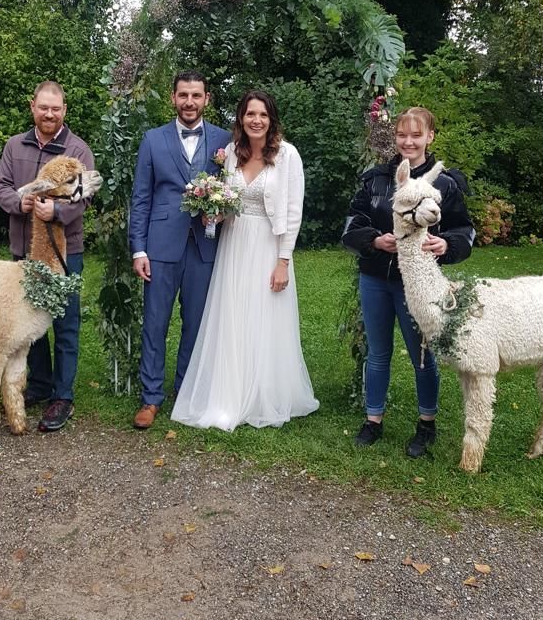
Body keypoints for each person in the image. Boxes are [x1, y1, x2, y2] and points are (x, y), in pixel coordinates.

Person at [171, 90, 319, 431]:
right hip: (234, 244)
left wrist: (284, 260)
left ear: (271, 119)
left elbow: (294, 210)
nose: (256, 120)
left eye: (263, 115)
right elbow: (228, 203)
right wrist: (211, 211)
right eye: (250, 114)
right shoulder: (232, 157)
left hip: (269, 244)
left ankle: (262, 393)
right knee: (233, 314)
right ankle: (229, 391)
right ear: (241, 118)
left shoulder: (287, 155)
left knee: (264, 315)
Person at [341, 106, 474, 457]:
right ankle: (373, 420)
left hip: (418, 284)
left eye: (417, 135)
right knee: (378, 351)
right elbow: (352, 224)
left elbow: (464, 228)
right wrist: (373, 239)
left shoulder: (445, 182)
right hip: (376, 278)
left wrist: (448, 244)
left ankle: (427, 423)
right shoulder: (376, 180)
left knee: (422, 353)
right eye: (402, 134)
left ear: (430, 136)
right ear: (394, 137)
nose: (409, 141)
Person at [129, 71, 232, 429]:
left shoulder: (224, 140)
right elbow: (141, 198)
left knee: (197, 325)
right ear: (173, 98)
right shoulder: (153, 139)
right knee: (155, 324)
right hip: (160, 246)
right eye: (183, 95)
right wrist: (138, 249)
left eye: (196, 95)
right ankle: (151, 398)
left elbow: (232, 188)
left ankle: (187, 391)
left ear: (206, 99)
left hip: (205, 245)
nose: (190, 102)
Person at [0, 80, 94, 432]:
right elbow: (0, 186)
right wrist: (18, 203)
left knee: (65, 325)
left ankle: (62, 396)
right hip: (25, 252)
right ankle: (39, 384)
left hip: (66, 254)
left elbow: (85, 196)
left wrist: (59, 213)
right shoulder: (13, 146)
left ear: (64, 110)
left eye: (56, 108)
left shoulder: (78, 150)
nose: (49, 113)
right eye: (43, 107)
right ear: (33, 106)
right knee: (29, 324)